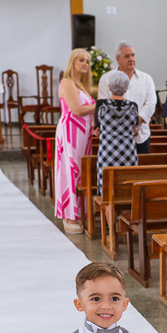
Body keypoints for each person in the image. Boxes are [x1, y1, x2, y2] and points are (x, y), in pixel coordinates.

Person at [55, 48, 97, 234]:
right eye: (81, 60)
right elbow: (77, 110)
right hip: (70, 133)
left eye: (87, 61)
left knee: (81, 172)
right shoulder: (67, 82)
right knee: (70, 170)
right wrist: (100, 105)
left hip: (83, 134)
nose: (85, 64)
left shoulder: (81, 85)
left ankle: (79, 212)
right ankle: (69, 216)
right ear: (72, 62)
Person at [97, 42, 157, 154]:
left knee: (141, 165)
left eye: (133, 55)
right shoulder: (106, 78)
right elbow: (103, 105)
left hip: (140, 136)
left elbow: (150, 104)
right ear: (117, 59)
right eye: (127, 56)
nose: (131, 59)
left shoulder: (146, 79)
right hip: (113, 137)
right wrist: (124, 125)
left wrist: (134, 122)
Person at [94, 70, 138, 196]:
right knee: (127, 186)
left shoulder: (101, 105)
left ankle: (106, 206)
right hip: (128, 152)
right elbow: (134, 128)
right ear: (126, 88)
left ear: (109, 87)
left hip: (107, 151)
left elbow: (98, 126)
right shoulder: (133, 106)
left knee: (107, 187)